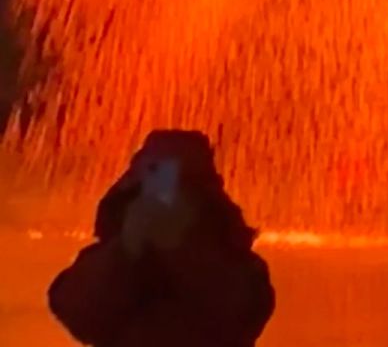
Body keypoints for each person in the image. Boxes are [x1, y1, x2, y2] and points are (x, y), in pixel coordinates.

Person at [48, 129, 275, 347]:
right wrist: (127, 248)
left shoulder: (239, 268)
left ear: (203, 204)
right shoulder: (112, 255)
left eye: (181, 192)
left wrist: (181, 250)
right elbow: (78, 313)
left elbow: (240, 314)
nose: (164, 200)